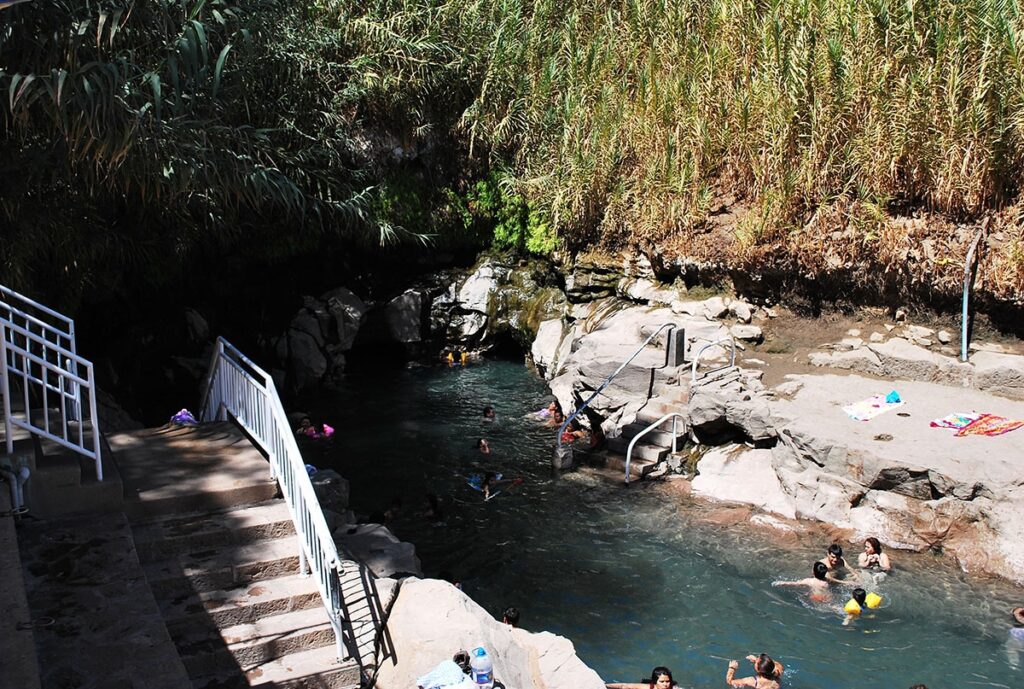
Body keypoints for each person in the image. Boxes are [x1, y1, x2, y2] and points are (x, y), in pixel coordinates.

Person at [605, 666, 675, 689]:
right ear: (655, 681)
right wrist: (605, 685)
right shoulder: (647, 687)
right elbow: (624, 686)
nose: (665, 684)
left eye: (667, 681)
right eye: (662, 682)